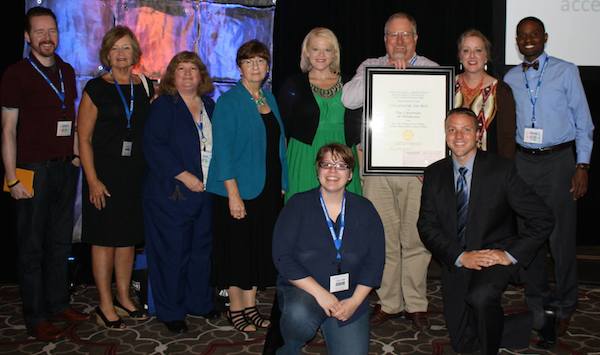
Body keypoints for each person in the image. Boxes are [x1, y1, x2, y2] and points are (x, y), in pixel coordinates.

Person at [417, 108, 555, 354]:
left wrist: (509, 254)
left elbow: (542, 218)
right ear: (445, 135)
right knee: (462, 342)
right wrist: (460, 256)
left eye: (466, 129)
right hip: (457, 259)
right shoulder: (434, 173)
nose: (459, 136)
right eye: (452, 130)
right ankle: (520, 324)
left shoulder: (501, 170)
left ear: (478, 134)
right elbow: (426, 226)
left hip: (493, 257)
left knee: (480, 299)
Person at [342, 12, 437, 329]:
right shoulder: (370, 65)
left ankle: (416, 303)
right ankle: (390, 302)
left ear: (416, 38)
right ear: (385, 39)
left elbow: (440, 119)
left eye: (405, 35)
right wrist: (382, 75)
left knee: (415, 240)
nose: (399, 41)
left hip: (418, 172)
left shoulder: (432, 71)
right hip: (378, 169)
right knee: (382, 239)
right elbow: (348, 98)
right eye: (393, 35)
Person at [0, 6, 89, 341]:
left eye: (51, 30)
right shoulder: (16, 74)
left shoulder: (66, 70)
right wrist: (11, 180)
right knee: (32, 249)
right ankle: (35, 316)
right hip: (30, 172)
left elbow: (72, 118)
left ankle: (57, 303)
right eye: (38, 31)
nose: (46, 37)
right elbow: (7, 130)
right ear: (27, 37)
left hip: (66, 169)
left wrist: (77, 155)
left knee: (59, 243)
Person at [504, 16, 594, 336]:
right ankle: (536, 301)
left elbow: (584, 123)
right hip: (523, 163)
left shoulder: (566, 70)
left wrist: (581, 166)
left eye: (533, 34)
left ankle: (567, 303)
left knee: (561, 239)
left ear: (545, 37)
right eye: (522, 35)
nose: (528, 39)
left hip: (559, 162)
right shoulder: (511, 77)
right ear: (516, 41)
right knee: (529, 236)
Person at [272, 143, 385, 355]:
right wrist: (322, 294)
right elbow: (282, 258)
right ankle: (288, 347)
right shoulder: (298, 205)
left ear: (350, 174)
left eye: (341, 165)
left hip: (349, 295)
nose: (333, 171)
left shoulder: (365, 209)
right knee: (299, 317)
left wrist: (355, 302)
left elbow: (375, 261)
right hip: (304, 290)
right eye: (326, 164)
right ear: (318, 170)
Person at [207, 40, 288, 332]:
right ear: (239, 66)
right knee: (237, 248)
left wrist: (283, 184)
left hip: (267, 188)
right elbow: (223, 151)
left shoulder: (269, 98)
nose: (256, 67)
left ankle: (252, 305)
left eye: (261, 61)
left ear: (267, 67)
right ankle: (236, 307)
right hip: (238, 189)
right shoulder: (229, 101)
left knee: (257, 248)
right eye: (249, 61)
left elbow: (279, 144)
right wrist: (233, 194)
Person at [77, 25, 152, 329]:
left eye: (127, 48)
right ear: (107, 53)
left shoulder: (144, 86)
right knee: (104, 240)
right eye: (116, 48)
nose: (121, 54)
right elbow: (83, 138)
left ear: (135, 53)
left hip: (134, 176)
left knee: (127, 241)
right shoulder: (96, 88)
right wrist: (93, 180)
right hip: (103, 175)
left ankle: (123, 296)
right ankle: (105, 303)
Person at [143, 51, 218, 334]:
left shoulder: (210, 105)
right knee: (172, 253)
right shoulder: (164, 105)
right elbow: (153, 146)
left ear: (201, 75)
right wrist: (185, 176)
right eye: (181, 69)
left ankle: (198, 302)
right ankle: (171, 310)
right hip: (171, 192)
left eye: (193, 69)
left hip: (206, 191)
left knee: (201, 250)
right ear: (172, 75)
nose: (187, 74)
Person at [278, 27, 362, 201]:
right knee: (303, 213)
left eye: (327, 49)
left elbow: (360, 130)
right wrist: (281, 173)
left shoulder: (351, 83)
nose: (321, 55)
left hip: (343, 155)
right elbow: (281, 131)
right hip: (304, 157)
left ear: (334, 54)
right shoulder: (293, 84)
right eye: (315, 49)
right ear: (307, 52)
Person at [454, 29, 516, 159]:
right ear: (460, 56)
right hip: (450, 167)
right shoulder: (448, 85)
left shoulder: (501, 90)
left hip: (489, 169)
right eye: (466, 50)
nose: (472, 56)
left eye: (478, 50)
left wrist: (502, 172)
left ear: (486, 56)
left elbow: (508, 139)